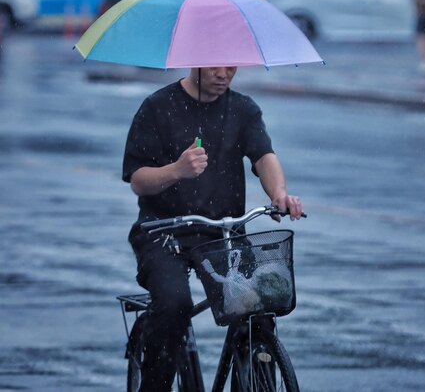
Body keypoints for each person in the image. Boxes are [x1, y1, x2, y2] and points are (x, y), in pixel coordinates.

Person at [122, 66, 304, 391]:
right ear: (196, 62)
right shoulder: (157, 107)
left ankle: (253, 378)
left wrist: (279, 194)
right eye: (216, 66)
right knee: (174, 305)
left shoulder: (243, 109)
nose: (224, 74)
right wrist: (176, 170)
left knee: (259, 306)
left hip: (223, 233)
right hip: (164, 232)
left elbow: (264, 157)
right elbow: (138, 181)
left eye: (231, 65)